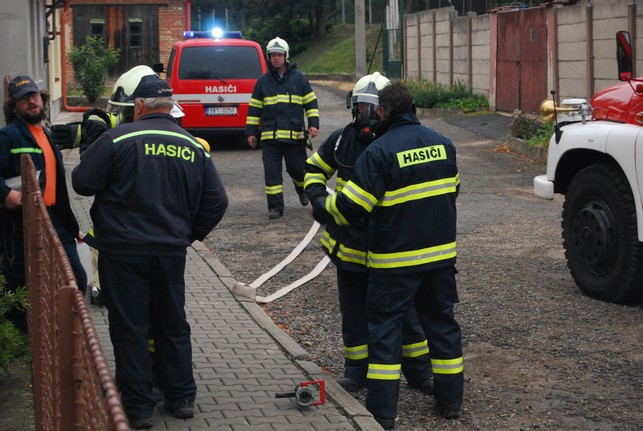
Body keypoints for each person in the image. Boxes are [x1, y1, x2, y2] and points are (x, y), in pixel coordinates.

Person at [71, 66, 228, 430]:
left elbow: (81, 183)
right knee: (172, 323)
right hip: (170, 252)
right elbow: (216, 201)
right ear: (169, 106)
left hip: (123, 252)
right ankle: (181, 397)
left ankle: (139, 407)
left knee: (131, 327)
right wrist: (187, 234)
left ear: (139, 105)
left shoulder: (117, 138)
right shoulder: (193, 145)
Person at [311, 81, 463, 428]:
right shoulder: (443, 144)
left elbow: (353, 208)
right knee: (442, 328)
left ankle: (382, 415)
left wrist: (321, 204)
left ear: (383, 111)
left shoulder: (378, 153)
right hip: (440, 259)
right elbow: (452, 191)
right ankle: (451, 402)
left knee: (385, 335)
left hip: (395, 263)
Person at [304, 73, 434, 395]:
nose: (368, 116)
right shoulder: (340, 141)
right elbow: (314, 169)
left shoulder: (394, 143)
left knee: (405, 315)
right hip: (348, 248)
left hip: (388, 251)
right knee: (354, 314)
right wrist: (318, 198)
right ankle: (356, 372)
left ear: (386, 110)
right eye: (362, 107)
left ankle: (420, 374)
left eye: (374, 109)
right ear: (353, 107)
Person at [0, 75, 87, 332]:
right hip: (20, 224)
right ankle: (22, 343)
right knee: (20, 284)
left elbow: (57, 187)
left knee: (76, 279)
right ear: (14, 107)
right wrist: (5, 194)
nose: (31, 101)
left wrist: (73, 229)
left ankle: (62, 336)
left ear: (42, 98)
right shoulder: (9, 136)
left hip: (54, 219)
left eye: (34, 95)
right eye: (24, 99)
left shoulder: (45, 133)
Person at [245, 36, 320, 219]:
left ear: (286, 56)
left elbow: (311, 103)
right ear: (268, 57)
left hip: (295, 138)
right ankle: (275, 208)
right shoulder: (262, 82)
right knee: (272, 175)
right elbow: (254, 109)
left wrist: (313, 125)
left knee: (298, 169)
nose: (276, 58)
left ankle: (301, 190)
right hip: (270, 138)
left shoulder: (299, 79)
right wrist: (251, 133)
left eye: (279, 55)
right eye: (273, 55)